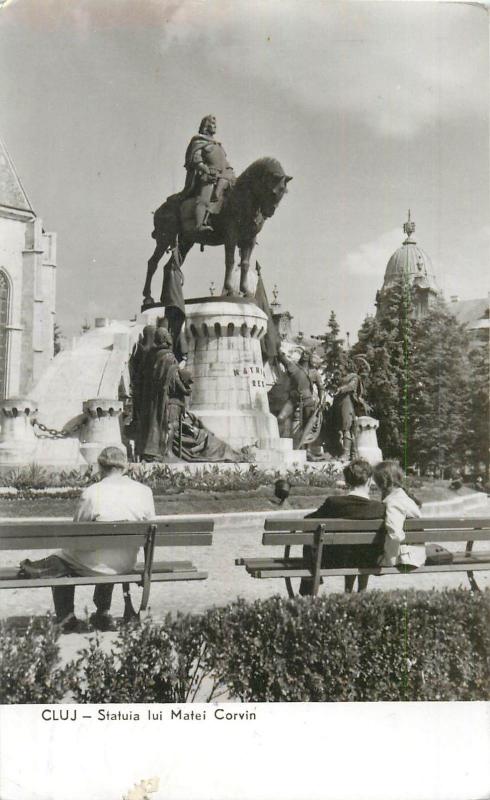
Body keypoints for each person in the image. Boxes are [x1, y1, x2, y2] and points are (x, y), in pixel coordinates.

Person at [19, 447, 155, 633]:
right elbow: (150, 527)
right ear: (125, 467)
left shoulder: (92, 493)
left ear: (100, 466)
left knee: (63, 558)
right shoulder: (144, 491)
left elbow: (76, 535)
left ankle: (67, 618)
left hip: (94, 565)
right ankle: (102, 612)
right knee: (104, 553)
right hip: (126, 563)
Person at [299, 458, 385, 596]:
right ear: (369, 481)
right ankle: (361, 592)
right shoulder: (379, 508)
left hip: (335, 560)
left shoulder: (333, 503)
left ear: (347, 482)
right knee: (362, 550)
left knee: (311, 540)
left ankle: (307, 592)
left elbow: (307, 523)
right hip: (369, 561)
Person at [183, 114, 235, 233]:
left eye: (215, 124)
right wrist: (206, 170)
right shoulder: (198, 141)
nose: (215, 126)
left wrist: (230, 170)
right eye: (212, 124)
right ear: (206, 126)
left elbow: (225, 162)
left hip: (224, 177)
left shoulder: (218, 145)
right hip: (208, 176)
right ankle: (200, 225)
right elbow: (196, 159)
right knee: (204, 198)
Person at [373, 460, 424, 570]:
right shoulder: (405, 498)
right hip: (417, 554)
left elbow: (395, 534)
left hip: (405, 558)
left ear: (381, 483)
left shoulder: (393, 502)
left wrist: (387, 558)